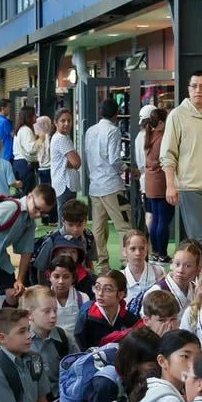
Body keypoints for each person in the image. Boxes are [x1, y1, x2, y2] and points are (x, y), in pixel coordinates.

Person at [160, 70, 202, 263]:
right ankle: (201, 285)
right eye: (194, 86)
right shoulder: (177, 115)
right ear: (188, 89)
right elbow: (168, 154)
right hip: (189, 186)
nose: (198, 91)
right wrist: (170, 185)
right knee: (199, 240)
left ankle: (193, 276)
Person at [0, 183, 55, 294]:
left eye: (43, 213)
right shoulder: (12, 207)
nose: (38, 214)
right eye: (36, 208)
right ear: (30, 196)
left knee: (11, 296)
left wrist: (20, 280)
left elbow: (26, 252)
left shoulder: (30, 223)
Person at [84, 98, 133, 273]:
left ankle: (102, 265)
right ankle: (126, 261)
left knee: (98, 227)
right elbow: (114, 160)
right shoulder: (113, 131)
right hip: (112, 185)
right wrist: (127, 169)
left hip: (95, 186)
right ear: (116, 114)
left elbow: (88, 157)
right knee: (124, 225)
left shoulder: (90, 131)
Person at [21, 285, 76, 400]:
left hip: (64, 398)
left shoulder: (64, 337)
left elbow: (76, 370)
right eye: (46, 311)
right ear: (29, 314)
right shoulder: (20, 342)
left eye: (55, 310)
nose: (53, 316)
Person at [136, 239, 201, 320]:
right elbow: (146, 322)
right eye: (177, 264)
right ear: (172, 264)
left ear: (197, 269)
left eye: (188, 266)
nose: (180, 270)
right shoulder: (157, 291)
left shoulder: (197, 291)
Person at [75, 270, 137, 349]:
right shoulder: (87, 316)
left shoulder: (130, 319)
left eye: (107, 289)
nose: (100, 293)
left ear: (121, 294)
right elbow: (80, 349)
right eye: (97, 287)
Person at [143, 108, 173, 263]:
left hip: (150, 182)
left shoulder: (148, 136)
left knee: (155, 219)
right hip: (161, 182)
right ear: (161, 122)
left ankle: (155, 251)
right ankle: (162, 252)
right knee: (163, 220)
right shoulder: (163, 138)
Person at [48, 254, 90, 344]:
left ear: (73, 278)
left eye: (66, 277)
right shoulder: (41, 299)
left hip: (76, 349)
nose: (61, 281)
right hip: (51, 347)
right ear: (49, 277)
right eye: (56, 276)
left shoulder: (83, 298)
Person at [50, 108, 81, 215]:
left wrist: (70, 161)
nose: (67, 124)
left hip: (65, 185)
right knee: (67, 221)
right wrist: (70, 161)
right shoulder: (61, 138)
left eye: (69, 120)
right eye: (63, 121)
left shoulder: (64, 137)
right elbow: (77, 162)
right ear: (55, 123)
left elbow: (74, 162)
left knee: (67, 220)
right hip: (65, 185)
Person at [121, 229, 165, 303]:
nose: (138, 253)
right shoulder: (119, 278)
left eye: (142, 248)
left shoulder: (158, 272)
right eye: (133, 249)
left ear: (147, 249)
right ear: (124, 251)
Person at [134, 104, 157, 231]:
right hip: (153, 179)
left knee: (149, 212)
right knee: (154, 214)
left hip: (144, 180)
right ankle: (153, 243)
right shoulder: (152, 137)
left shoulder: (139, 136)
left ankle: (150, 241)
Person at [12, 106, 39, 195]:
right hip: (25, 165)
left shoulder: (19, 129)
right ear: (28, 117)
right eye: (34, 115)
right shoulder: (26, 130)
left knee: (23, 193)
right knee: (27, 194)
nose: (36, 117)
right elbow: (31, 149)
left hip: (18, 163)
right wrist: (41, 139)